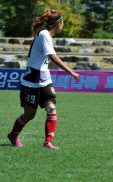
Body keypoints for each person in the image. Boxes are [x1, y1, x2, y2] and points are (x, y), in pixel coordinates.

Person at [7, 8, 80, 149]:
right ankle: (13, 135)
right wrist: (71, 72)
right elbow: (53, 57)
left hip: (45, 79)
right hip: (31, 81)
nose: (63, 24)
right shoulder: (44, 35)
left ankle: (48, 142)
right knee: (29, 115)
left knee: (51, 108)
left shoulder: (46, 35)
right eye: (62, 21)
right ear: (57, 23)